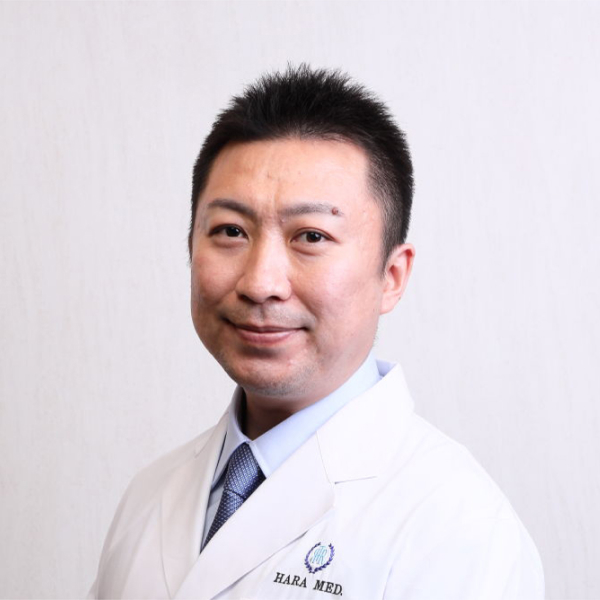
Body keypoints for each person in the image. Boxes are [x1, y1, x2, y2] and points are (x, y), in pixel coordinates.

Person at [88, 65, 544, 599]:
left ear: (391, 277)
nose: (260, 284)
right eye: (231, 230)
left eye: (311, 236)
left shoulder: (459, 529)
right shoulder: (150, 494)